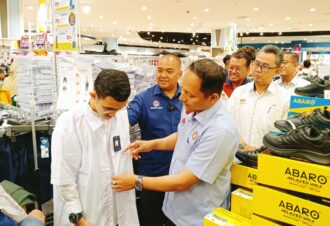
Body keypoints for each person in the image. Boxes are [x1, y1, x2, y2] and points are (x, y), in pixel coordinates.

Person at [112, 59, 239, 226]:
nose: (182, 98)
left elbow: (184, 181)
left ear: (213, 97)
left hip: (197, 217)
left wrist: (136, 181)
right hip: (175, 209)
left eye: (190, 94)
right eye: (183, 90)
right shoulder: (193, 108)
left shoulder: (220, 131)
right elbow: (184, 135)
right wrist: (152, 144)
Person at [51, 69, 139, 226]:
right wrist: (78, 219)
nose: (113, 114)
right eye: (108, 108)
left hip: (121, 211)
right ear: (93, 95)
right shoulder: (70, 124)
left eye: (118, 109)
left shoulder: (120, 116)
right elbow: (63, 177)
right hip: (88, 214)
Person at [127, 54, 182, 226]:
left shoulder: (189, 97)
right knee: (151, 220)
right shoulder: (144, 98)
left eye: (169, 71)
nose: (163, 75)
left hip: (182, 173)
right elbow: (125, 121)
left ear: (180, 73)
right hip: (152, 173)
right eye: (159, 70)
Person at [227, 45, 289, 149]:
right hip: (236, 157)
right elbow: (228, 124)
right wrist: (244, 147)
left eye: (265, 66)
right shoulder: (239, 93)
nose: (258, 70)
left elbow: (285, 135)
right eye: (256, 64)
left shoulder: (285, 99)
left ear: (277, 71)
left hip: (267, 160)